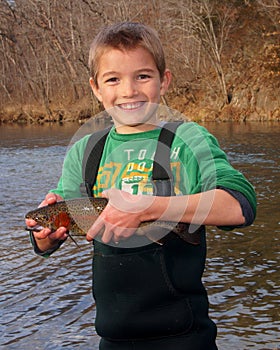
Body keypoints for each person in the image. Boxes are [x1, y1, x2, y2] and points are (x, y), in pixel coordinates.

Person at [26, 22, 257, 350]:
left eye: (143, 76)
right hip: (112, 338)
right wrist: (45, 238)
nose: (129, 90)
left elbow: (241, 205)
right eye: (113, 79)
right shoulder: (85, 151)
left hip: (185, 337)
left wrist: (153, 207)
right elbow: (50, 239)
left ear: (165, 81)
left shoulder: (187, 140)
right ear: (96, 88)